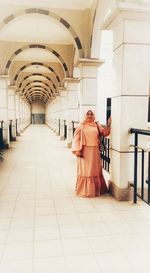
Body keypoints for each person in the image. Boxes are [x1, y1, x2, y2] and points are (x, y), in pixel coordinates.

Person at [72, 110, 111, 197]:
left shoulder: (96, 125)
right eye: (88, 114)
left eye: (91, 114)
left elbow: (104, 133)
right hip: (84, 151)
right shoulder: (81, 125)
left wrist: (108, 125)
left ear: (94, 115)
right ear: (85, 115)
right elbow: (76, 138)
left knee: (94, 170)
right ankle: (85, 191)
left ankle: (96, 190)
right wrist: (77, 150)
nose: (89, 115)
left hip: (95, 151)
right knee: (86, 171)